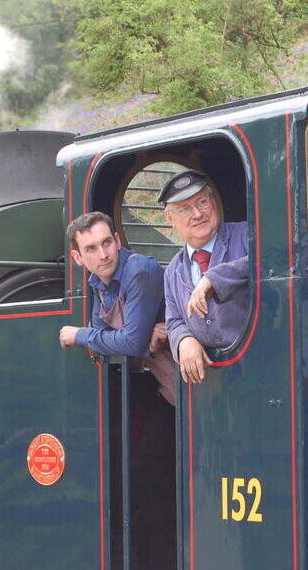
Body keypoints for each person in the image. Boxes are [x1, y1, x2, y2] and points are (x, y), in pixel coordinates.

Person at [59, 211, 177, 406]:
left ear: (117, 241)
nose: (103, 255)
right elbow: (105, 344)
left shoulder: (139, 272)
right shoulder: (98, 282)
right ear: (78, 257)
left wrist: (80, 335)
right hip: (167, 379)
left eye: (106, 243)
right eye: (91, 249)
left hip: (198, 377)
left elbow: (131, 342)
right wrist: (145, 344)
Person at [160, 169, 249, 384]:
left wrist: (214, 278)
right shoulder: (172, 271)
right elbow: (173, 322)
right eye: (184, 209)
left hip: (259, 370)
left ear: (214, 203)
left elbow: (269, 262)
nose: (197, 214)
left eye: (202, 202)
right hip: (210, 386)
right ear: (169, 219)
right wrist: (184, 340)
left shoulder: (247, 235)